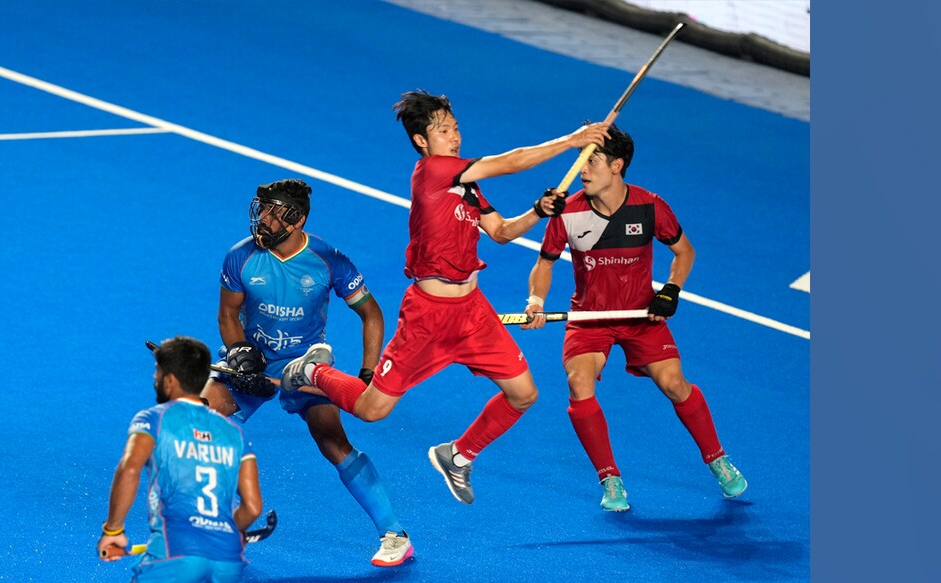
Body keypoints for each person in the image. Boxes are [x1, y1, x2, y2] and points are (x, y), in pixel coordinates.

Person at [279, 89, 611, 505]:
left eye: (455, 128)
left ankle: (457, 455)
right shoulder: (433, 171)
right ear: (422, 140)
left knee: (524, 393)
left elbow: (503, 233)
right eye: (442, 130)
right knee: (371, 410)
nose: (453, 136)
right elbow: (509, 162)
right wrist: (572, 140)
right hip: (427, 316)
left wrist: (539, 211)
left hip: (472, 312)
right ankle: (313, 373)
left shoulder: (467, 188)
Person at [520, 124, 748, 512]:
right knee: (579, 383)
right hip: (590, 316)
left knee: (674, 384)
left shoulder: (650, 206)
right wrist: (535, 300)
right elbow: (544, 263)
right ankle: (610, 478)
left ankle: (717, 459)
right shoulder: (568, 212)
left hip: (640, 314)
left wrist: (670, 290)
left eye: (590, 161)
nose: (582, 170)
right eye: (580, 161)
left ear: (617, 166)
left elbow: (685, 253)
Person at [201, 178, 413, 567]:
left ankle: (395, 534)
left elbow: (371, 314)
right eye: (261, 209)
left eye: (272, 212)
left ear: (296, 219)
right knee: (201, 420)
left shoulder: (328, 260)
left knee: (332, 441)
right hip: (252, 362)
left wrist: (367, 374)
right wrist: (240, 352)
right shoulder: (240, 256)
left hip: (304, 366)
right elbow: (228, 315)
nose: (261, 219)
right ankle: (233, 524)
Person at [98, 336, 262, 583]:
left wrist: (113, 530)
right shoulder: (233, 434)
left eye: (157, 372)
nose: (155, 379)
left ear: (171, 379)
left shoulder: (154, 419)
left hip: (175, 554)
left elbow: (129, 470)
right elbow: (252, 507)